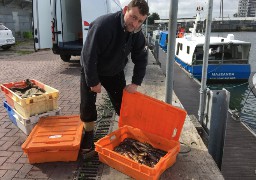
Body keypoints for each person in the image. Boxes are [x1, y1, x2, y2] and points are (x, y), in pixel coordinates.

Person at [80, 0, 149, 159]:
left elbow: (141, 58)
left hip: (114, 71)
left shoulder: (137, 32)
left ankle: (127, 134)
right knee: (87, 105)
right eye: (133, 17)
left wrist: (136, 82)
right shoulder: (103, 25)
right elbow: (89, 55)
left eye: (140, 21)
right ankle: (89, 134)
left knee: (123, 104)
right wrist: (93, 81)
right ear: (126, 10)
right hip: (93, 67)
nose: (135, 24)